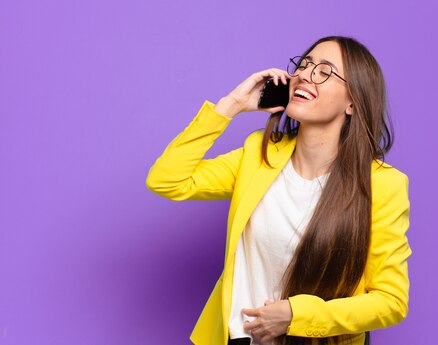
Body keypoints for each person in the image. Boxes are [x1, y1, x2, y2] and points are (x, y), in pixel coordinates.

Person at [146, 36, 411, 345]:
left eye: (324, 71)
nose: (305, 74)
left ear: (353, 101)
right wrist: (230, 107)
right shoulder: (259, 155)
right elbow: (167, 180)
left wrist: (296, 315)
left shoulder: (382, 184)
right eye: (305, 64)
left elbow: (391, 300)